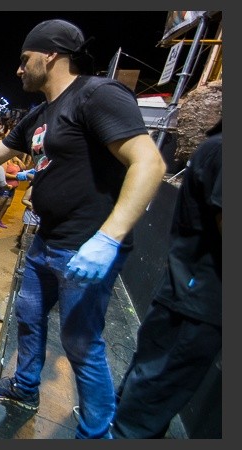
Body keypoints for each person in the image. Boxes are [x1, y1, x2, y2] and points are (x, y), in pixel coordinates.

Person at [0, 19, 166, 439]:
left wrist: (109, 238)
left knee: (82, 345)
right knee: (29, 316)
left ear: (51, 55)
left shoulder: (97, 95)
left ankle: (96, 431)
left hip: (84, 246)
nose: (19, 69)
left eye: (24, 59)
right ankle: (25, 385)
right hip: (46, 239)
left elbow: (150, 164)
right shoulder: (40, 114)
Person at [112, 120, 221, 439]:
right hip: (197, 300)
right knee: (147, 407)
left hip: (189, 294)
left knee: (143, 391)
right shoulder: (224, 149)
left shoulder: (215, 146)